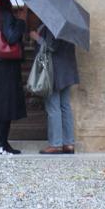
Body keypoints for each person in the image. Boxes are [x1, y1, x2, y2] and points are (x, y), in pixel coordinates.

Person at [0, 0, 27, 154]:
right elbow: (12, 37)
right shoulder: (4, 15)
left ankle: (0, 142)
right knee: (6, 103)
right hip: (7, 64)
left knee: (0, 102)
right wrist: (21, 22)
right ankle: (1, 143)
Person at [30, 26, 79, 154]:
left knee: (53, 107)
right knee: (65, 106)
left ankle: (56, 144)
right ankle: (68, 143)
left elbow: (52, 46)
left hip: (54, 71)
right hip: (67, 70)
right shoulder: (68, 25)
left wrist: (37, 38)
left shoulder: (53, 24)